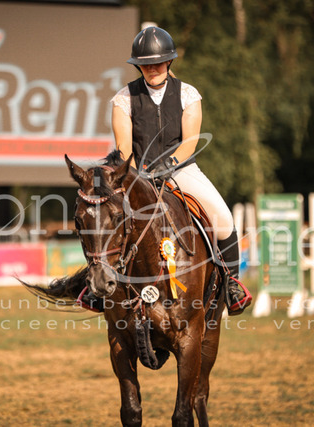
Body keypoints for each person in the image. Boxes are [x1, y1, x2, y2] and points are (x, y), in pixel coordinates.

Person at [110, 26, 250, 315]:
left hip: (180, 169)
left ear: (169, 61)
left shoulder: (188, 94)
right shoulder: (124, 98)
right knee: (104, 218)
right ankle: (95, 286)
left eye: (159, 63)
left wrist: (168, 165)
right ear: (138, 66)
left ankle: (232, 284)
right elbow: (124, 147)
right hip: (138, 173)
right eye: (146, 64)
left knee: (223, 217)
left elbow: (190, 142)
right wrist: (136, 177)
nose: (153, 69)